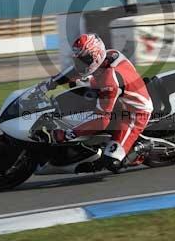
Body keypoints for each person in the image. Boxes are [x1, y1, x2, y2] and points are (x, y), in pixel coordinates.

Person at [37, 33, 154, 171]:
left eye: (84, 60)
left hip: (134, 113)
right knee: (75, 87)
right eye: (79, 59)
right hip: (119, 98)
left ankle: (142, 146)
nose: (80, 63)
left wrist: (68, 134)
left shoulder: (110, 81)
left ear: (96, 56)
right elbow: (73, 72)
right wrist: (46, 85)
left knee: (111, 162)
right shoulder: (109, 55)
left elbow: (102, 120)